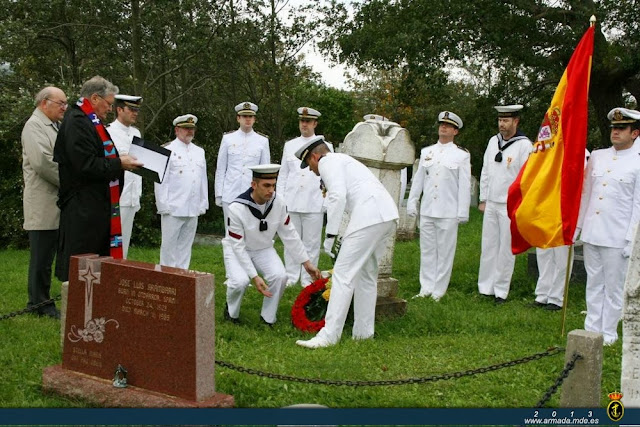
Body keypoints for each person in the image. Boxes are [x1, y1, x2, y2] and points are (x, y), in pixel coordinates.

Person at [294, 136, 399, 348]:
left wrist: (331, 235)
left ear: (315, 157)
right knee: (367, 276)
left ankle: (328, 337)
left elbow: (337, 196)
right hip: (386, 215)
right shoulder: (343, 161)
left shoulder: (327, 162)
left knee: (342, 276)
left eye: (309, 165)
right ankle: (363, 333)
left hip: (369, 217)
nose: (312, 171)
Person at [54, 76, 142, 282]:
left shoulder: (91, 122)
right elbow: (85, 165)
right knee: (83, 262)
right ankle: (80, 307)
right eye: (109, 104)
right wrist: (119, 164)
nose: (110, 109)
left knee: (96, 262)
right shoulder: (77, 122)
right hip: (82, 208)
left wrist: (117, 161)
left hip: (95, 206)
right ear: (94, 98)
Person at [222, 164, 321, 326]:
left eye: (273, 185)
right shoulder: (236, 208)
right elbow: (238, 246)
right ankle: (231, 313)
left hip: (263, 248)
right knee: (239, 282)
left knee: (280, 276)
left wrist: (306, 263)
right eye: (266, 185)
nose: (271, 190)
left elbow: (290, 234)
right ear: (253, 185)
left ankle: (268, 317)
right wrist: (254, 276)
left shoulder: (278, 202)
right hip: (237, 250)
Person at [575, 108, 640, 346]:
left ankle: (609, 332)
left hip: (617, 235)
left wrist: (631, 239)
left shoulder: (638, 161)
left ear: (635, 133)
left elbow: (638, 204)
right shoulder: (598, 156)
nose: (615, 132)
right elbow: (586, 195)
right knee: (594, 283)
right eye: (614, 127)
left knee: (613, 287)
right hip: (593, 231)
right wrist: (578, 227)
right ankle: (592, 328)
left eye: (621, 128)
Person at [407, 111, 471, 301]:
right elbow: (418, 180)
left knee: (444, 252)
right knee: (427, 250)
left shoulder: (461, 156)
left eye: (448, 126)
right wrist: (412, 202)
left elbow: (464, 185)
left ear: (455, 131)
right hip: (428, 209)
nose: (443, 127)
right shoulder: (427, 152)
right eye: (441, 124)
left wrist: (462, 211)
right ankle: (425, 287)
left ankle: (439, 290)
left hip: (448, 210)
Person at [477, 104, 532, 304]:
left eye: (506, 120)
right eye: (500, 120)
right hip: (492, 202)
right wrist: (483, 199)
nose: (502, 124)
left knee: (506, 249)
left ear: (516, 121)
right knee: (489, 245)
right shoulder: (493, 141)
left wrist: (521, 204)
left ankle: (501, 290)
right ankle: (485, 287)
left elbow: (526, 178)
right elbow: (485, 170)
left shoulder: (525, 145)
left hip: (510, 205)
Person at [21, 86, 67, 318]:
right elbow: (43, 163)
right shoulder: (34, 126)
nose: (64, 108)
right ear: (44, 103)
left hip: (55, 202)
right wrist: (71, 182)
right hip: (42, 203)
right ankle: (39, 303)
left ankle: (41, 301)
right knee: (41, 257)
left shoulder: (53, 126)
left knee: (49, 254)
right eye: (60, 103)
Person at [276, 107, 333, 287]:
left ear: (315, 123)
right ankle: (291, 276)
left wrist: (326, 202)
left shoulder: (326, 146)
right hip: (292, 200)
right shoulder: (290, 145)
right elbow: (283, 174)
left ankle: (308, 278)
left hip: (314, 200)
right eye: (302, 121)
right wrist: (280, 199)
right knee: (292, 241)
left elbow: (329, 177)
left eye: (308, 121)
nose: (304, 124)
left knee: (311, 242)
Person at [532, 148, 590, 311]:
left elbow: (580, 185)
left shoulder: (579, 152)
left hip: (565, 210)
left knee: (561, 255)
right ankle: (542, 294)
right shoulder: (548, 146)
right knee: (543, 252)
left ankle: (556, 297)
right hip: (545, 206)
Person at [154, 114, 209, 269]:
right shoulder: (166, 150)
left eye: (192, 129)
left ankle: (182, 276)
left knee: (185, 246)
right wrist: (163, 206)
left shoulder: (199, 151)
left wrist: (203, 203)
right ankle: (167, 277)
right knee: (169, 247)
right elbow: (160, 181)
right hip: (173, 206)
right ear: (177, 130)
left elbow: (202, 179)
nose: (190, 131)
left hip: (193, 206)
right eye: (186, 128)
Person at [215, 102, 270, 226]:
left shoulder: (262, 141)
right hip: (230, 193)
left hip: (253, 194)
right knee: (230, 232)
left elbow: (265, 172)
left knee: (252, 232)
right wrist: (219, 194)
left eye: (250, 116)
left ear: (254, 119)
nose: (248, 119)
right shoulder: (228, 139)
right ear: (238, 118)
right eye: (244, 116)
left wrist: (264, 194)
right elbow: (221, 168)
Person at [106, 94, 143, 259]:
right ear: (119, 109)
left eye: (137, 110)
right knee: (111, 243)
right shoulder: (109, 132)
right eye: (131, 109)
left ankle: (118, 278)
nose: (135, 113)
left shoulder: (136, 133)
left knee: (124, 245)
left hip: (132, 196)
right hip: (116, 196)